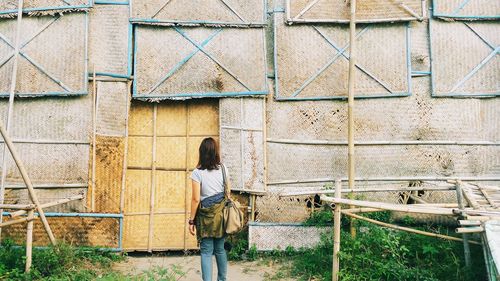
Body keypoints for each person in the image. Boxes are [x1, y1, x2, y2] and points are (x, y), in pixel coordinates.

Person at [189, 137, 228, 281]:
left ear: (201, 152)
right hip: (221, 215)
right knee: (220, 249)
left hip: (205, 217)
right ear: (215, 152)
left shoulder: (197, 173)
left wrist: (191, 221)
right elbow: (226, 191)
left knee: (206, 252)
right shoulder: (223, 169)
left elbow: (195, 199)